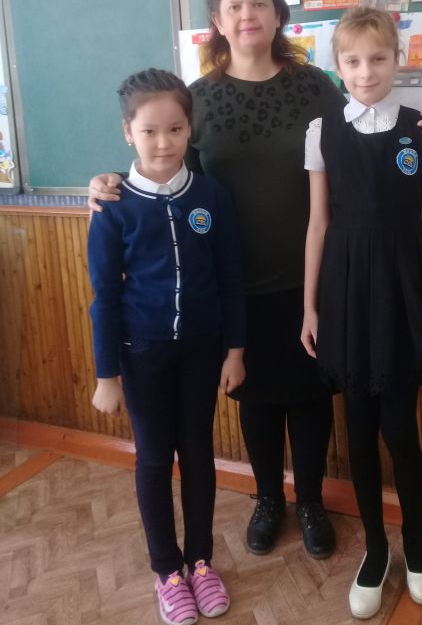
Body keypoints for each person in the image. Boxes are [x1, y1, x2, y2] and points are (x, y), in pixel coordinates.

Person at [88, 0, 422, 563]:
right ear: (216, 21)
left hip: (318, 275)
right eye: (233, 6)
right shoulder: (197, 98)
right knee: (256, 399)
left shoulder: (316, 86)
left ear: (278, 14)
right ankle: (267, 499)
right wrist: (107, 180)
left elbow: (369, 133)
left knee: (310, 395)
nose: (247, 15)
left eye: (259, 3)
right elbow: (165, 163)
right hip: (234, 279)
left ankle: (309, 501)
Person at [301, 8, 422, 619]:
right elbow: (317, 224)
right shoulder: (321, 131)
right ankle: (375, 548)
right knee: (358, 431)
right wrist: (310, 307)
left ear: (398, 60)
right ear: (337, 66)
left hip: (402, 289)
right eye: (353, 61)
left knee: (400, 429)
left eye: (378, 59)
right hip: (344, 292)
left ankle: (415, 540)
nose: (366, 72)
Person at [88, 68, 245, 625]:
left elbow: (231, 279)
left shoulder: (211, 196)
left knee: (198, 454)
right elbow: (104, 297)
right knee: (155, 459)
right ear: (128, 132)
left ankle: (200, 561)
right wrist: (107, 374)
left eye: (175, 129)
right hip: (143, 354)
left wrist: (235, 350)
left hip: (203, 351)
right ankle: (167, 571)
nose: (163, 143)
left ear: (189, 128)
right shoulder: (112, 205)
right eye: (149, 131)